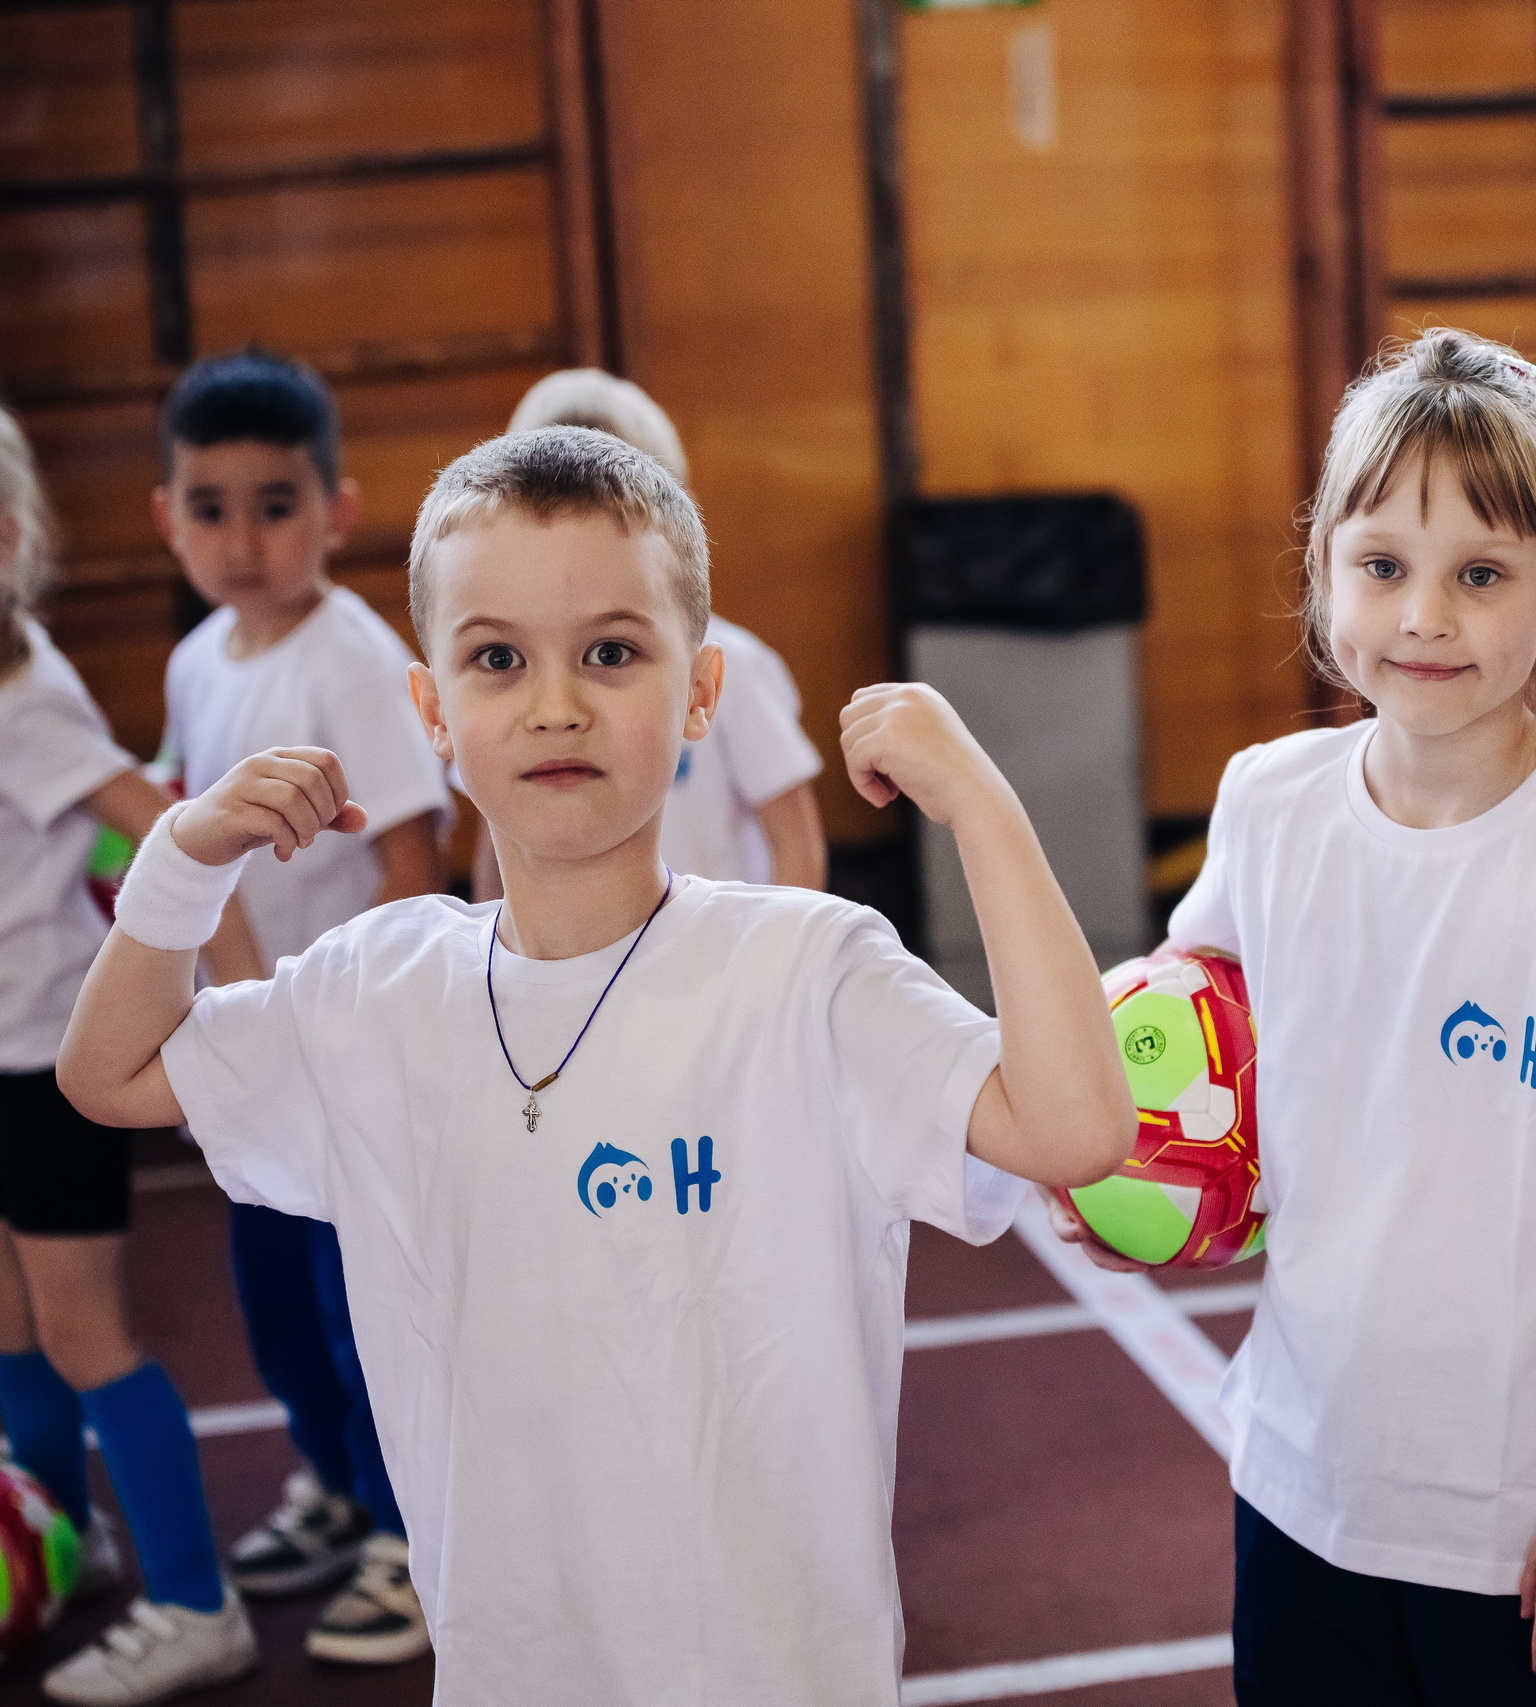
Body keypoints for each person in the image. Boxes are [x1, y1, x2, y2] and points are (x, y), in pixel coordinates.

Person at [58, 426, 1134, 1704]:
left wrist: (985, 808)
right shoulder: (371, 990)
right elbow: (110, 1078)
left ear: (700, 692)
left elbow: (1073, 1131)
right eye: (497, 658)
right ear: (431, 713)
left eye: (611, 652)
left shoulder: (803, 972)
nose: (555, 701)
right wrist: (181, 859)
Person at [1054, 329, 1536, 1703]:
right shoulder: (1267, 800)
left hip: (1526, 1519)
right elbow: (1175, 1030)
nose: (1425, 615)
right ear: (1323, 568)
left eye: (1480, 574)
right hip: (1303, 1476)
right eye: (1383, 565)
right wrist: (1114, 1167)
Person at [150, 350, 451, 1667]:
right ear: (164, 516)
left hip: (347, 1050)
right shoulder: (195, 659)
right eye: (209, 506)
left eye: (276, 503)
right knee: (274, 1297)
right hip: (255, 1046)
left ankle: (410, 1528)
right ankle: (334, 1478)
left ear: (338, 508)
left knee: (361, 1302)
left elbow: (410, 858)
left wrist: (367, 1022)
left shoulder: (354, 659)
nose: (242, 536)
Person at [0, 407, 265, 1706]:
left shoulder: (24, 698)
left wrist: (247, 984)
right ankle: (62, 1538)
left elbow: (160, 826)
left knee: (83, 1327)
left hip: (39, 1064)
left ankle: (195, 1601)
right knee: (10, 1328)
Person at [464, 368, 825, 898]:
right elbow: (492, 857)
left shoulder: (734, 665)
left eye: (612, 653)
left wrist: (780, 970)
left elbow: (795, 841)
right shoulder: (493, 680)